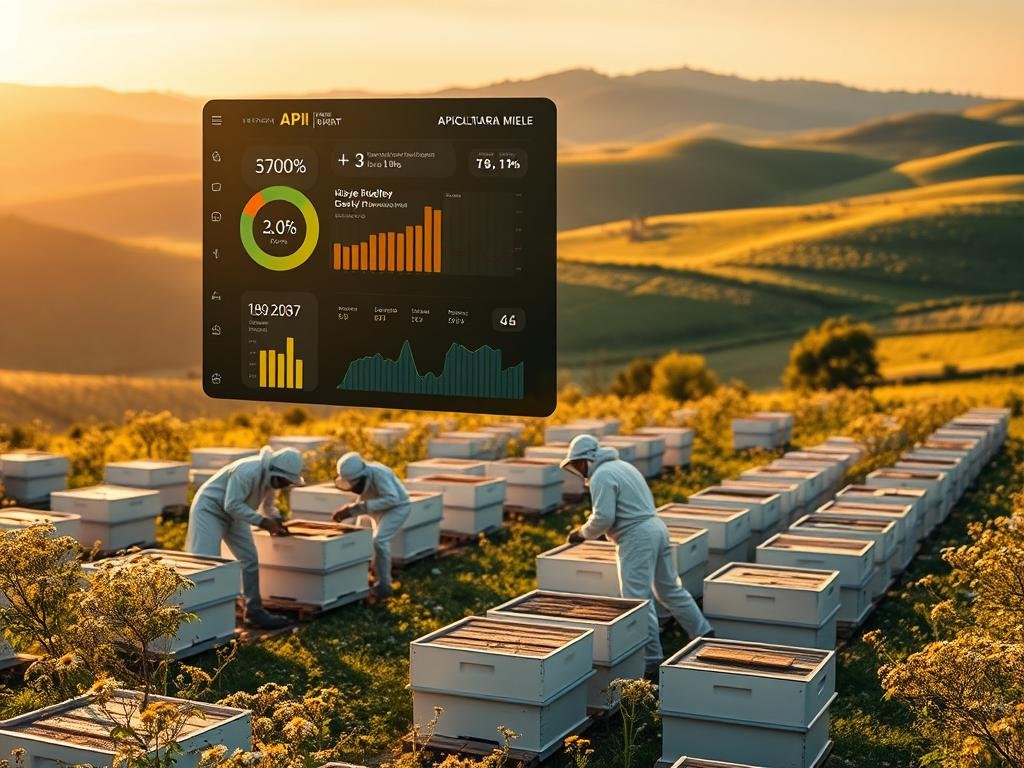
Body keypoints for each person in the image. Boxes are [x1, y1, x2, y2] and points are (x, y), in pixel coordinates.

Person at [561, 434, 712, 676]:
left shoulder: (602, 475)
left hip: (636, 536)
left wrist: (582, 533)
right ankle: (703, 632)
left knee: (638, 601)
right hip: (657, 528)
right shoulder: (623, 466)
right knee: (669, 589)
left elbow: (604, 517)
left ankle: (652, 661)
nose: (578, 470)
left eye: (578, 464)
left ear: (588, 458)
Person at [186, 446, 305, 629]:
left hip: (237, 514)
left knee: (249, 559)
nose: (284, 485)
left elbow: (268, 506)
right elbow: (231, 504)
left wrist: (276, 520)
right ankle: (196, 615)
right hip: (210, 510)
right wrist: (263, 523)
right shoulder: (247, 471)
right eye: (284, 481)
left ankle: (254, 611)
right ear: (274, 471)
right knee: (205, 562)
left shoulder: (271, 481)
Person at [332, 451, 410, 600]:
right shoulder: (359, 477)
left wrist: (354, 509)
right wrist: (350, 511)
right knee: (358, 535)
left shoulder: (379, 473)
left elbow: (392, 499)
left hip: (397, 508)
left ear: (362, 473)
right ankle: (361, 578)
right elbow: (364, 500)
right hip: (375, 508)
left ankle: (383, 588)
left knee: (379, 540)